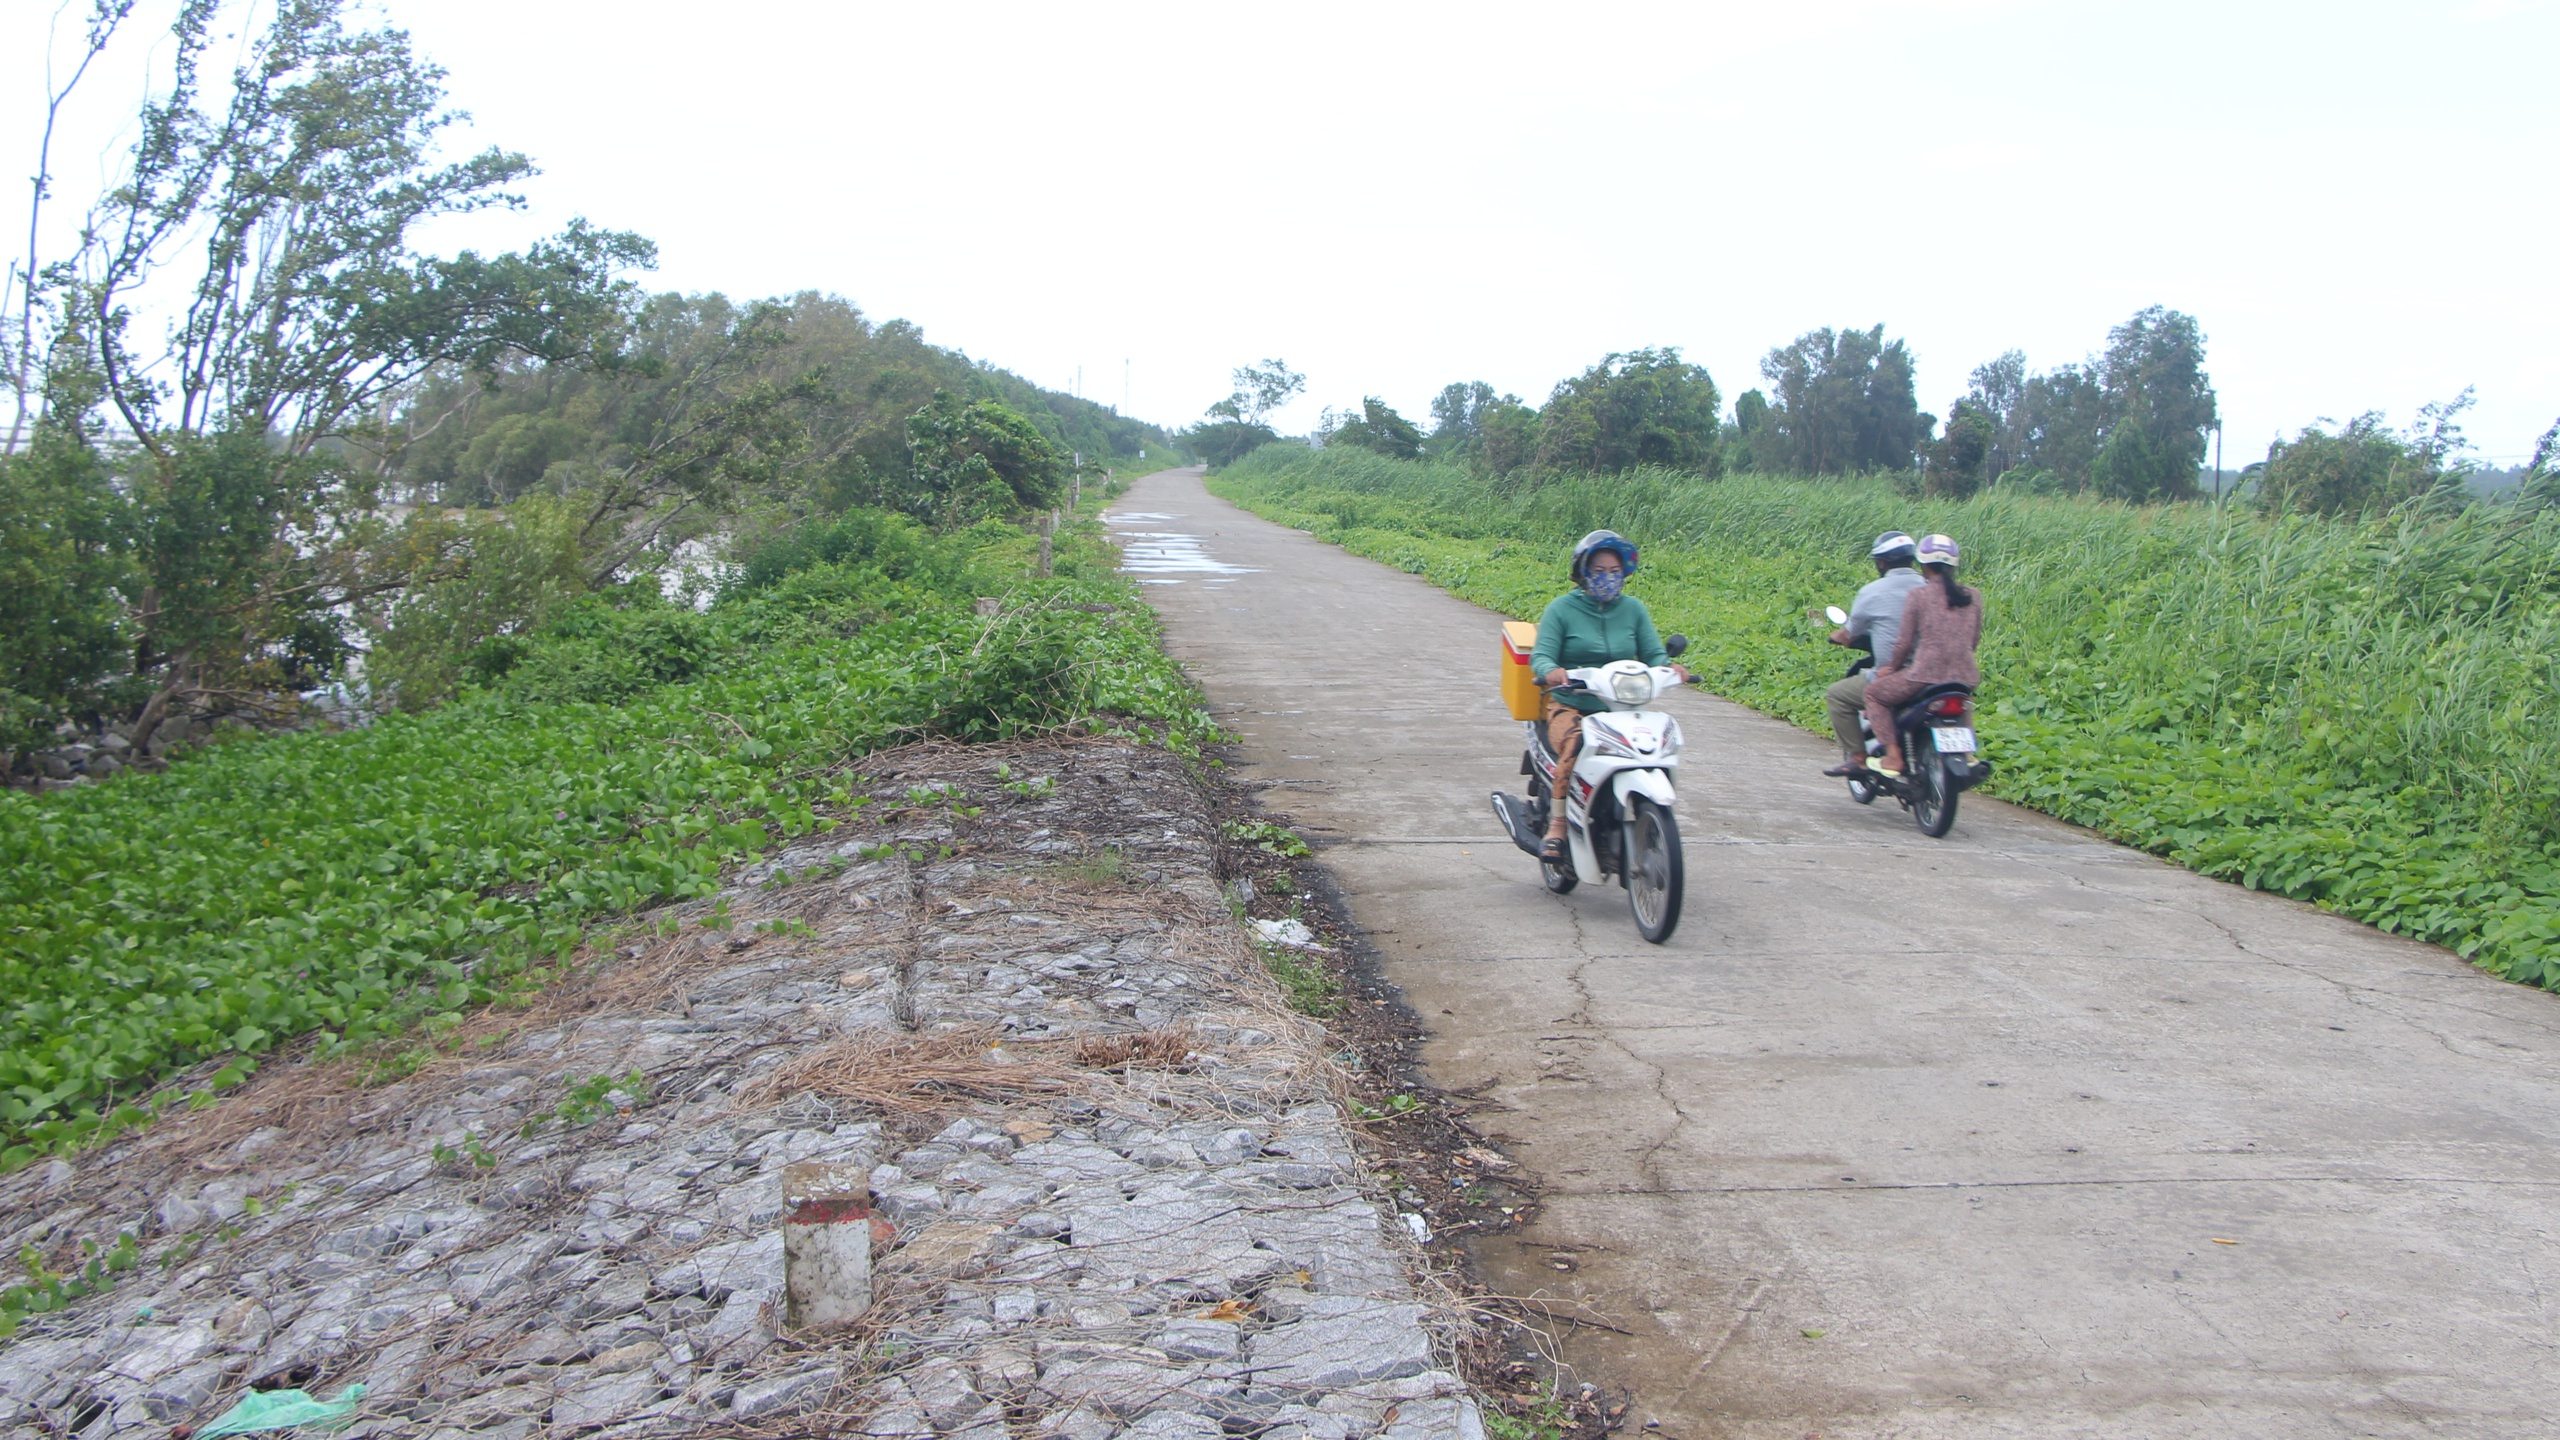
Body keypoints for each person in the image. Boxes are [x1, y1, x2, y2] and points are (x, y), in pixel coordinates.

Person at [1530, 530, 1689, 861]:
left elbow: (1653, 654)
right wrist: (1553, 671)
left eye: (1615, 571)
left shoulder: (1633, 609)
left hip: (1622, 709)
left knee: (1652, 744)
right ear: (1583, 572)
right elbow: (1542, 655)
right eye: (1599, 571)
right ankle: (1558, 825)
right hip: (1572, 704)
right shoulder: (1561, 609)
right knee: (1576, 743)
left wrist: (1669, 668)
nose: (1608, 578)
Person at [1863, 533, 1982, 776]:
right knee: (1964, 700)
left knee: (1874, 695)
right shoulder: (1973, 596)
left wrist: (1891, 668)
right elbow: (1973, 639)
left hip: (1923, 675)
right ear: (1954, 564)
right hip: (1966, 675)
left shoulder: (1919, 595)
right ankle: (1967, 753)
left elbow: (1904, 643)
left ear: (1923, 565)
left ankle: (1893, 757)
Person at [1821, 531, 1923, 777]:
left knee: (1838, 695)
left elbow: (1850, 632)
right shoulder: (1932, 590)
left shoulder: (1873, 592)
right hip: (1938, 673)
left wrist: (1838, 637)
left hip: (1899, 675)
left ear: (1881, 563)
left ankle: (1859, 759)